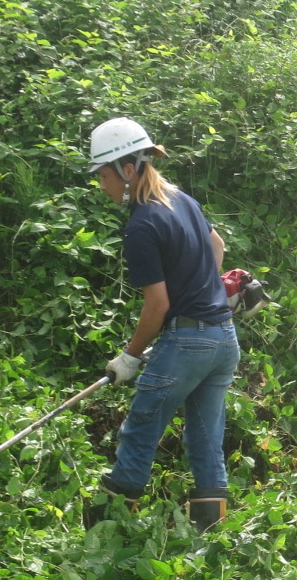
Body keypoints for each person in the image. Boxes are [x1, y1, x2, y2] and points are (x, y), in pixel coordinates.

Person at [85, 117, 239, 531]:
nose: (102, 186)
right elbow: (217, 245)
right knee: (206, 440)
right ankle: (211, 535)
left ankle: (107, 533)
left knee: (139, 431)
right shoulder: (183, 201)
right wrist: (202, 293)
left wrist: (129, 357)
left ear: (127, 169)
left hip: (187, 342)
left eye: (103, 176)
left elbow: (157, 306)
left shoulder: (141, 226)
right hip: (223, 339)